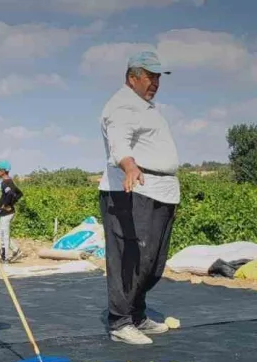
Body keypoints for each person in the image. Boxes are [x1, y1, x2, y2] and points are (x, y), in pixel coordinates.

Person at [98, 51, 180, 346]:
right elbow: (119, 142)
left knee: (153, 262)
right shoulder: (122, 106)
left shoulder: (146, 107)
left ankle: (137, 315)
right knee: (130, 259)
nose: (155, 82)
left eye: (158, 76)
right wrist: (129, 166)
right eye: (150, 76)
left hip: (159, 191)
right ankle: (120, 321)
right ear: (132, 78)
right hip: (132, 191)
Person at [0, 160, 23, 263]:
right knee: (0, 233)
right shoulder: (10, 181)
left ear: (2, 171)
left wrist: (5, 206)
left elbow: (10, 194)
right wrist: (11, 203)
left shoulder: (5, 183)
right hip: (7, 212)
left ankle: (4, 257)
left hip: (6, 213)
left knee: (3, 235)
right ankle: (15, 250)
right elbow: (19, 194)